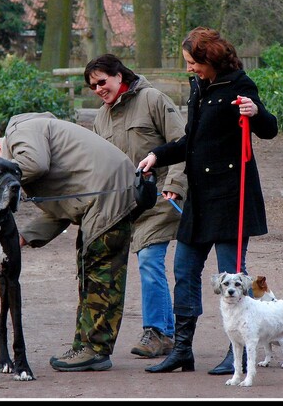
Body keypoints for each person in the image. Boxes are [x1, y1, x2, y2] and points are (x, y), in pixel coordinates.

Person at [137, 27, 278, 375]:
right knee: (184, 270)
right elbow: (191, 140)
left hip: (232, 196)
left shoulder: (239, 84)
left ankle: (240, 353)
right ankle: (183, 349)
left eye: (192, 62)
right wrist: (158, 155)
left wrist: (254, 111)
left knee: (234, 279)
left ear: (209, 59)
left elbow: (269, 127)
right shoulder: (198, 88)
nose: (189, 69)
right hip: (200, 198)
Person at [0, 111, 138, 372]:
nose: (2, 182)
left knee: (100, 271)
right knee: (89, 267)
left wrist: (7, 181)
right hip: (104, 195)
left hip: (109, 195)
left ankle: (95, 349)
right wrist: (21, 238)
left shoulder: (19, 129)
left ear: (0, 148)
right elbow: (61, 210)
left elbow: (35, 165)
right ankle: (84, 345)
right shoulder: (38, 137)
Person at [84, 54, 187, 358]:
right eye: (92, 86)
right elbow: (99, 168)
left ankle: (156, 332)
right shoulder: (100, 118)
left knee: (149, 259)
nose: (98, 89)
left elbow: (182, 143)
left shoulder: (153, 99)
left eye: (102, 81)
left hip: (161, 198)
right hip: (125, 206)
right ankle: (167, 334)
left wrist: (175, 185)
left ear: (119, 75)